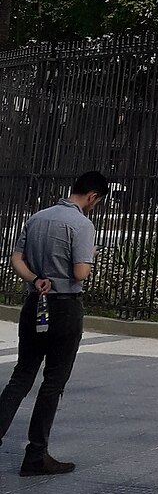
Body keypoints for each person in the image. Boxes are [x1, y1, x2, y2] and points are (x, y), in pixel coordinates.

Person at [0, 171, 109, 476]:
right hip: (64, 309)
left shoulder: (37, 217)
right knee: (52, 382)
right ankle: (36, 454)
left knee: (21, 376)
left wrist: (36, 280)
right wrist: (90, 256)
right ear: (92, 196)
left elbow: (16, 258)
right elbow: (80, 273)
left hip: (35, 302)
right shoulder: (82, 225)